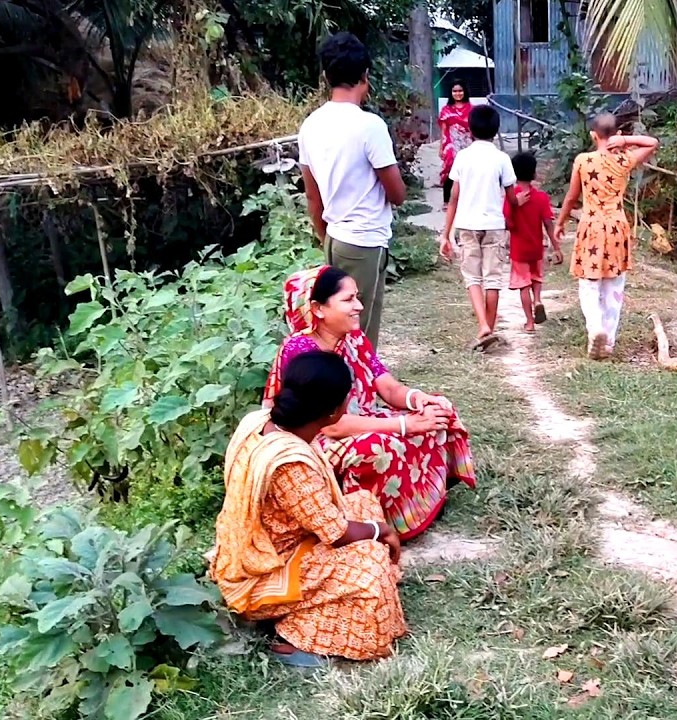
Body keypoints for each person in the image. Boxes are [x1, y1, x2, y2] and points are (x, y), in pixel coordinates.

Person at [211, 350, 407, 666]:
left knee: (362, 502)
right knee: (369, 566)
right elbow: (337, 533)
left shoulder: (258, 421)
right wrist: (382, 531)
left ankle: (309, 609)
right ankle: (298, 638)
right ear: (332, 412)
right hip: (265, 571)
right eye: (347, 398)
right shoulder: (289, 465)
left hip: (260, 546)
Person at [265, 266, 477, 541]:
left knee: (438, 410)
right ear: (317, 308)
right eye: (348, 299)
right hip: (316, 437)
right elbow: (329, 426)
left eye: (357, 297)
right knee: (379, 446)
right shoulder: (301, 352)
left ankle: (417, 504)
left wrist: (418, 400)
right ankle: (371, 522)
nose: (359, 306)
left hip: (361, 417)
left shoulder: (354, 339)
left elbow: (387, 386)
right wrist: (403, 425)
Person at [298, 32, 406, 349]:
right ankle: (358, 398)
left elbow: (312, 194)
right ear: (365, 76)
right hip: (365, 240)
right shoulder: (369, 126)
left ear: (325, 75)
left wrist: (324, 236)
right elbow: (397, 194)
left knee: (334, 333)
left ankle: (346, 396)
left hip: (334, 237)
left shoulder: (311, 125)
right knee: (359, 338)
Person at [553, 114, 659, 359]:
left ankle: (595, 329)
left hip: (591, 225)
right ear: (616, 134)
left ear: (593, 135)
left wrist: (561, 222)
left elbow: (571, 197)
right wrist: (625, 141)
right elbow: (652, 142)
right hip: (617, 225)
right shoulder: (624, 159)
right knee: (614, 283)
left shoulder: (583, 160)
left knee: (589, 283)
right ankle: (608, 340)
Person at [439, 105, 521, 351]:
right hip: (494, 225)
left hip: (467, 225)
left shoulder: (463, 157)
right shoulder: (502, 158)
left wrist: (445, 234)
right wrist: (519, 204)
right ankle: (489, 330)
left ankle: (483, 326)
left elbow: (453, 197)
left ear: (470, 129)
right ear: (496, 130)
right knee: (493, 279)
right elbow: (511, 197)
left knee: (473, 278)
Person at [505, 151, 562, 333]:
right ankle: (538, 300)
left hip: (518, 249)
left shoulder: (511, 197)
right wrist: (556, 246)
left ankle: (529, 323)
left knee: (523, 285)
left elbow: (506, 222)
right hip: (537, 247)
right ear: (534, 174)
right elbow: (548, 223)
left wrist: (515, 207)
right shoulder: (541, 197)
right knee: (536, 278)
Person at [438, 81, 474, 210]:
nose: (457, 93)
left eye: (460, 91)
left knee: (467, 172)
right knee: (449, 171)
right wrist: (441, 147)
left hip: (467, 144)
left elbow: (474, 129)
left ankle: (466, 200)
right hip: (451, 145)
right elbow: (443, 130)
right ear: (450, 93)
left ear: (464, 92)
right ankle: (447, 200)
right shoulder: (446, 110)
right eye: (454, 91)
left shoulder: (471, 109)